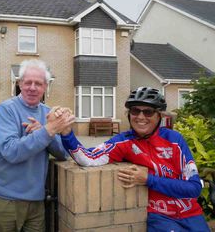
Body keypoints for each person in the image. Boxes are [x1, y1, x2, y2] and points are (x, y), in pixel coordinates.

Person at [52, 87, 210, 232]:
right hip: (160, 216)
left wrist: (148, 179)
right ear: (129, 114)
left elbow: (194, 188)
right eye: (135, 111)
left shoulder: (175, 140)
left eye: (148, 112)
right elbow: (87, 158)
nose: (141, 117)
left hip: (191, 213)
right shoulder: (124, 142)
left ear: (159, 116)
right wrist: (67, 132)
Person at [0, 59, 74, 232]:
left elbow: (63, 153)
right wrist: (47, 131)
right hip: (5, 200)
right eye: (28, 82)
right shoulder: (6, 110)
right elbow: (11, 151)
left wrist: (44, 130)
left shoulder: (48, 113)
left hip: (36, 200)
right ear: (19, 83)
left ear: (45, 86)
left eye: (38, 83)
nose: (32, 87)